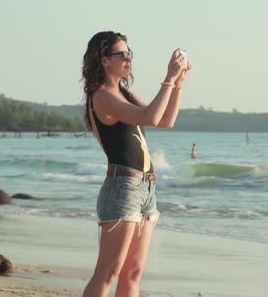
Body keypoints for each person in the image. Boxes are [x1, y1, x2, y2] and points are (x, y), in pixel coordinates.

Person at [81, 31, 191, 297]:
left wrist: (178, 83)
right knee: (108, 272)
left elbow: (166, 120)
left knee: (132, 274)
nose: (129, 58)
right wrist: (167, 78)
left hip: (145, 189)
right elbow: (150, 118)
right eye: (123, 54)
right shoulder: (103, 97)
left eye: (130, 53)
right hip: (123, 188)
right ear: (104, 60)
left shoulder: (123, 94)